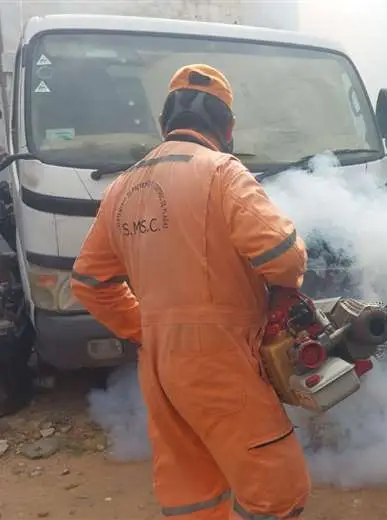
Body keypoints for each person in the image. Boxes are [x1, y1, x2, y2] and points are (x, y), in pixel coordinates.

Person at [71, 64, 311, 520]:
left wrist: (145, 328)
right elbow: (284, 257)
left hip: (160, 363)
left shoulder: (122, 188)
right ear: (228, 126)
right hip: (219, 360)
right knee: (278, 490)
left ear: (165, 123)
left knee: (194, 490)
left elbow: (88, 282)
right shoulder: (222, 172)